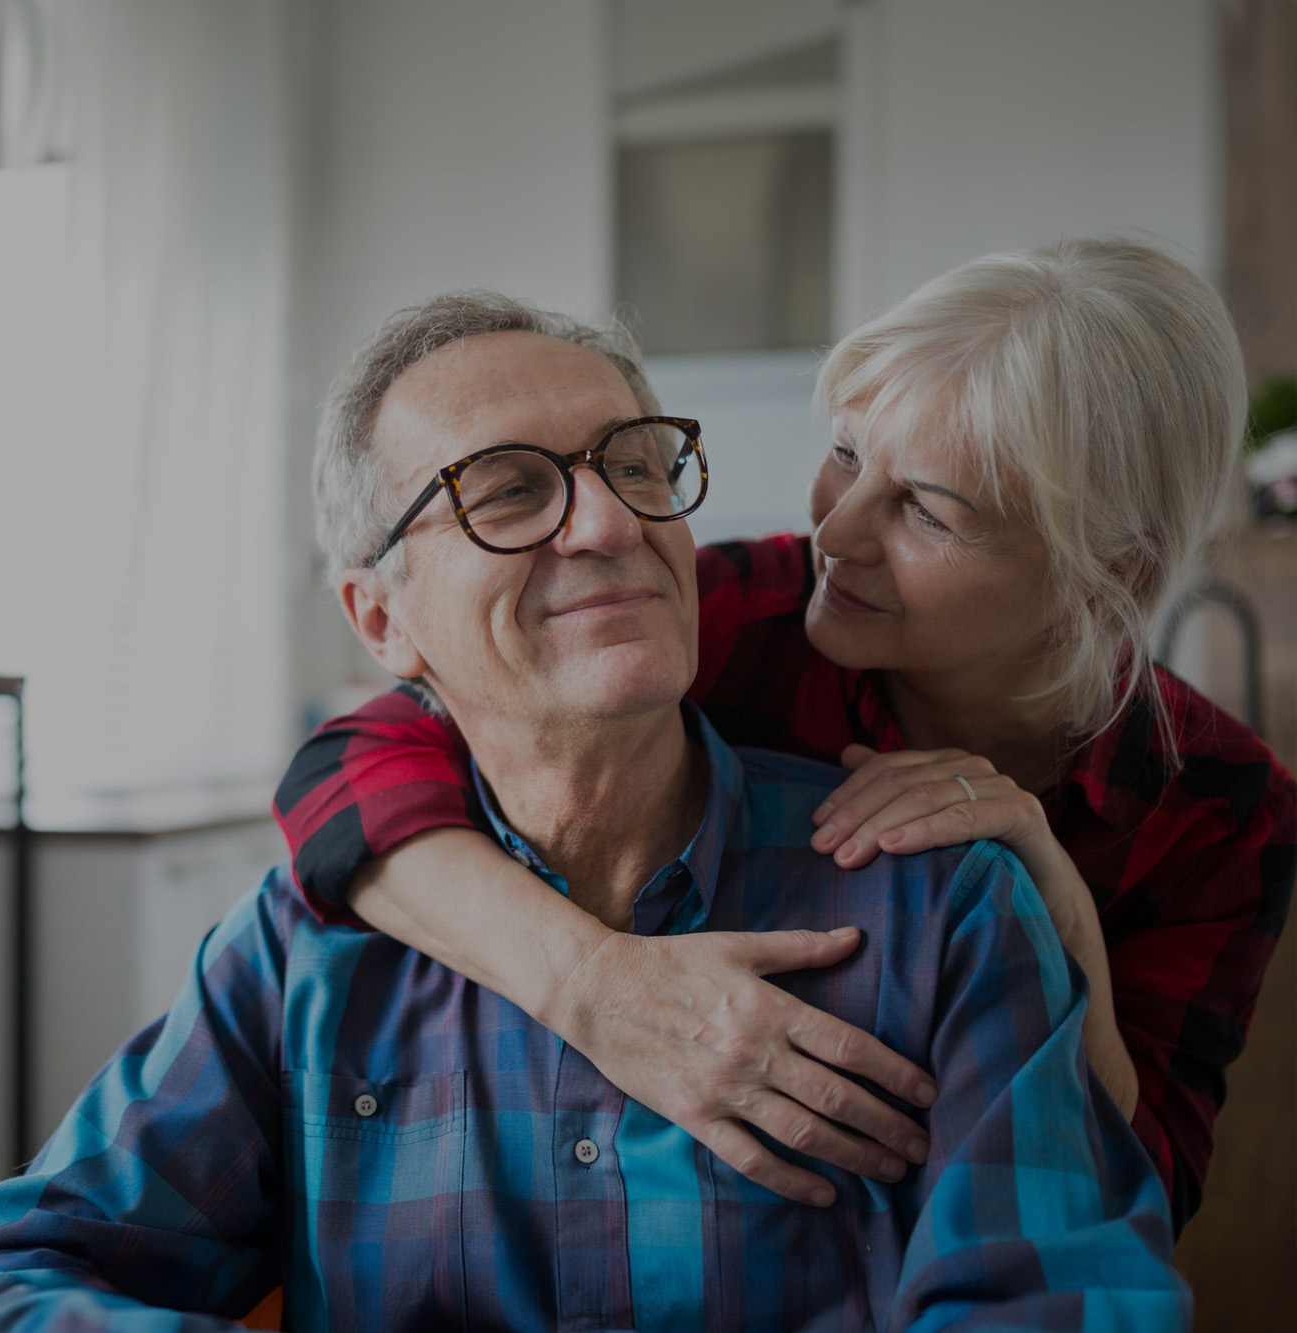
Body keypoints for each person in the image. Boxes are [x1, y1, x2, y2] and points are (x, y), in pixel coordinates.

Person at [0, 292, 1184, 1333]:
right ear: (380, 618)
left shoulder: (943, 904)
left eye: (637, 463)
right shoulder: (301, 956)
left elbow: (1070, 1293)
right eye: (507, 489)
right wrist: (586, 980)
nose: (609, 521)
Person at [273, 239, 1296, 1231]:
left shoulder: (1219, 805)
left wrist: (1062, 916)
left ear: (1105, 574)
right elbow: (342, 769)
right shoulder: (739, 614)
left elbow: (1139, 1193)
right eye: (846, 454)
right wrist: (590, 984)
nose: (835, 533)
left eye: (924, 511)